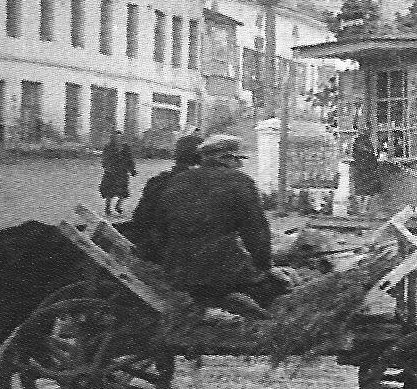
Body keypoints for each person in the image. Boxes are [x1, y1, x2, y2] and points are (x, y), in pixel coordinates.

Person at [147, 132, 285, 314]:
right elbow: (256, 232)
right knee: (278, 290)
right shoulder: (240, 182)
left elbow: (160, 231)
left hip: (178, 271)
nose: (240, 165)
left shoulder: (177, 181)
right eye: (237, 159)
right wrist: (265, 267)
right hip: (221, 269)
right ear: (226, 158)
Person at [123, 131, 202, 258]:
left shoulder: (158, 181)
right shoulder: (197, 186)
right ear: (201, 159)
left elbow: (139, 218)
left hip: (149, 247)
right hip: (173, 255)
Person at [98, 130, 137, 216]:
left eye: (120, 137)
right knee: (109, 192)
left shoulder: (126, 147)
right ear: (113, 138)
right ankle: (107, 208)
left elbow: (130, 159)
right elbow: (104, 159)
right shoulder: (109, 147)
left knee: (123, 191)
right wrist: (107, 167)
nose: (118, 139)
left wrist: (132, 170)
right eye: (117, 137)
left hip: (122, 173)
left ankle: (118, 206)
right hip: (111, 173)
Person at [349, 129, 384, 218]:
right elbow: (373, 159)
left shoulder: (357, 143)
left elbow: (353, 155)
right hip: (368, 170)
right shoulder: (368, 145)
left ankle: (361, 210)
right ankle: (363, 210)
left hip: (359, 169)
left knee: (359, 190)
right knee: (369, 191)